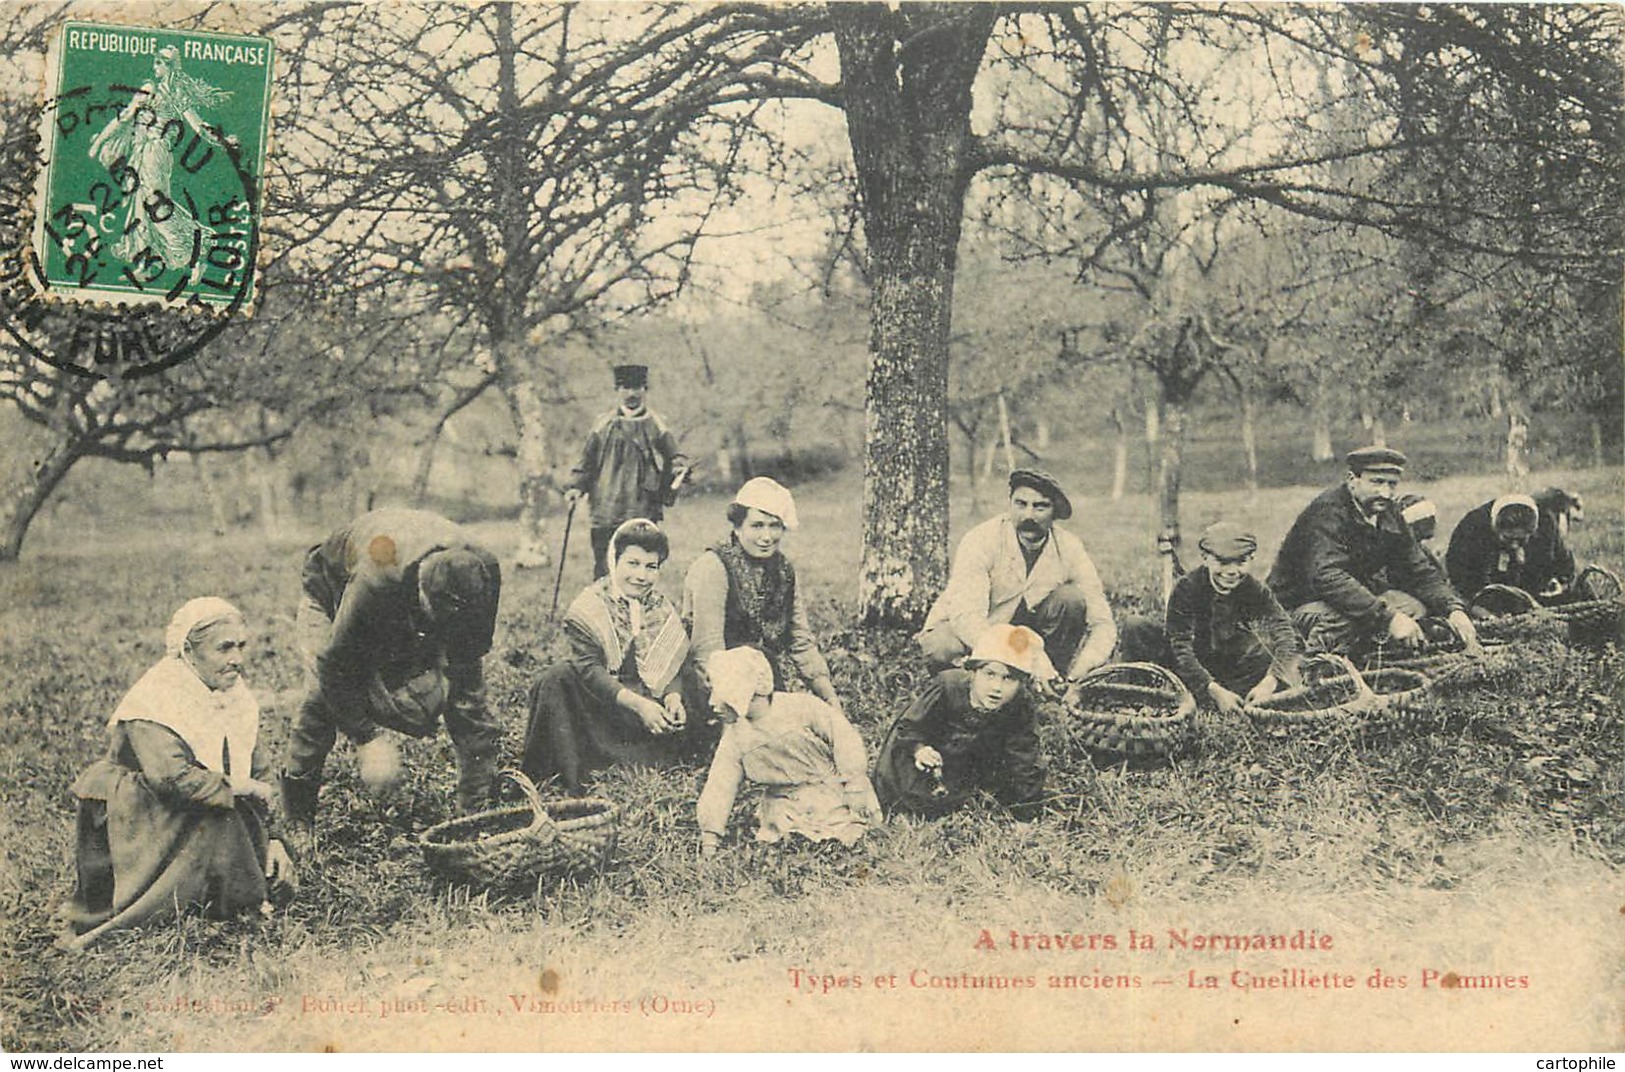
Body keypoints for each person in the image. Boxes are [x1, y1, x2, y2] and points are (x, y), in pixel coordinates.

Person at [62, 598, 296, 950]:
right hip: (138, 808)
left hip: (202, 794)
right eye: (224, 648)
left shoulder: (232, 694)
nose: (237, 658)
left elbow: (256, 768)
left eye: (241, 646)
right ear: (188, 650)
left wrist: (273, 837)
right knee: (218, 816)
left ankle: (225, 896)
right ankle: (180, 904)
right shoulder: (157, 697)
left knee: (227, 811)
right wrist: (241, 788)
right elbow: (171, 779)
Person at [281, 509, 503, 848]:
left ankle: (473, 814)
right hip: (331, 590)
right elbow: (334, 665)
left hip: (399, 599)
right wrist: (367, 740)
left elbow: (468, 661)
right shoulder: (378, 576)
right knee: (319, 700)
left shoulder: (485, 569)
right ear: (421, 594)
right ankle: (298, 816)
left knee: (468, 699)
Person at [521, 518, 697, 794]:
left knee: (696, 673)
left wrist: (673, 696)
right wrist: (639, 706)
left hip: (649, 709)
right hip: (606, 704)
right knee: (556, 678)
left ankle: (661, 754)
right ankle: (575, 768)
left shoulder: (660, 606)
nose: (641, 576)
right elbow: (589, 670)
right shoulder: (591, 604)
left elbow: (673, 663)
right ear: (614, 560)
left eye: (651, 567)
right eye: (633, 564)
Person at [1268, 447, 1480, 658]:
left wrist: (1453, 609)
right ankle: (1312, 669)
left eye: (1392, 484)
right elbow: (1328, 578)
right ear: (1353, 480)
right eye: (1377, 482)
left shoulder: (1389, 512)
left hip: (1352, 598)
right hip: (1297, 605)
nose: (1385, 493)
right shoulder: (1326, 513)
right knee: (1345, 620)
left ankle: (1376, 655)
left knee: (1417, 606)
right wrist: (1388, 618)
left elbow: (1418, 570)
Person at [916, 468, 1115, 687]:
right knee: (943, 648)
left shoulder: (1070, 547)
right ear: (1009, 504)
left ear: (1055, 512)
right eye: (1021, 504)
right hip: (970, 628)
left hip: (1026, 632)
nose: (1028, 515)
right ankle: (969, 688)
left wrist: (1080, 672)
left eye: (1040, 507)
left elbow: (1102, 623)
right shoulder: (981, 539)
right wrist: (1026, 655)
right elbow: (967, 617)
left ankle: (1052, 682)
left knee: (1071, 599)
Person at [695, 648, 881, 856]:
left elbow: (844, 738)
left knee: (845, 834)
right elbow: (720, 784)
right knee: (782, 839)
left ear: (743, 688)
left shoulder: (801, 707)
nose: (713, 703)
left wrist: (854, 782)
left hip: (833, 789)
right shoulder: (736, 735)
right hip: (783, 801)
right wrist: (710, 838)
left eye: (721, 693)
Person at [682, 477, 843, 713]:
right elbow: (707, 653)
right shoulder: (713, 567)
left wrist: (831, 701)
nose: (766, 537)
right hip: (710, 688)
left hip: (760, 680)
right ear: (737, 528)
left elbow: (800, 640)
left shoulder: (783, 570)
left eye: (774, 525)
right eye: (757, 526)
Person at [1117, 522, 1303, 715]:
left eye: (1241, 562)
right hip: (1186, 664)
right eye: (1222, 563)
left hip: (1228, 663)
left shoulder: (1256, 590)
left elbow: (1286, 634)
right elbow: (1180, 648)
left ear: (1252, 559)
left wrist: (1269, 682)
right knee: (1136, 627)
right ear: (1205, 558)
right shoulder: (1186, 588)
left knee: (1282, 658)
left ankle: (1235, 697)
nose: (1231, 572)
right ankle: (1142, 697)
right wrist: (1214, 690)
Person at [873, 624, 1048, 820]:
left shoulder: (1019, 704)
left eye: (1009, 679)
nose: (997, 688)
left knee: (992, 791)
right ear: (973, 673)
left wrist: (1025, 815)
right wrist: (920, 749)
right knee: (910, 796)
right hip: (929, 757)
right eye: (989, 674)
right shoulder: (948, 686)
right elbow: (909, 726)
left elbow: (1025, 757)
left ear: (1021, 683)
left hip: (970, 764)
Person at [87, 46, 232, 266]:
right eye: (154, 61)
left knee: (154, 203)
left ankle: (195, 245)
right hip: (153, 152)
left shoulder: (159, 91)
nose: (155, 66)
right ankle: (142, 251)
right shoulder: (171, 93)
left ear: (169, 66)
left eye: (159, 62)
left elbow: (197, 125)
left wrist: (98, 142)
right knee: (146, 201)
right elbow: (198, 126)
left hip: (153, 153)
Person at [566, 364, 690, 579]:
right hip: (605, 509)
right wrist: (576, 487)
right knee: (604, 567)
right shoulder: (602, 424)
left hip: (642, 507)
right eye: (625, 388)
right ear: (617, 390)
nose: (631, 394)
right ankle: (604, 609)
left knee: (639, 566)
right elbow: (586, 461)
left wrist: (679, 469)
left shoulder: (656, 424)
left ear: (644, 390)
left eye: (637, 388)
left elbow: (675, 456)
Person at [1445, 493, 1547, 606]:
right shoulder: (1471, 530)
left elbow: (1555, 566)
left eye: (1521, 539)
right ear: (1496, 529)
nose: (1514, 545)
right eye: (1508, 538)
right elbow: (1459, 577)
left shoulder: (1546, 526)